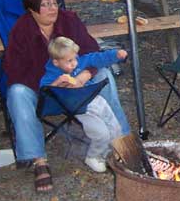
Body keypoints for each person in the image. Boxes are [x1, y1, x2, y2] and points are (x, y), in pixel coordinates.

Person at [3, 0, 131, 193]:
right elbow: (14, 70)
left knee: (104, 75)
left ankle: (123, 142)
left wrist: (83, 76)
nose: (52, 8)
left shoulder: (69, 20)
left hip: (78, 87)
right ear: (31, 8)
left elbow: (92, 52)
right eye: (44, 4)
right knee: (16, 93)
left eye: (54, 2)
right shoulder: (21, 30)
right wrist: (50, 85)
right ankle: (38, 160)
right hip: (43, 91)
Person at [40, 36, 128, 173]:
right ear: (56, 62)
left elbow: (98, 58)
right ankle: (94, 156)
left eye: (75, 58)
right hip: (78, 107)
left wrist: (116, 55)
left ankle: (115, 152)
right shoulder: (51, 74)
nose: (74, 63)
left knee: (114, 124)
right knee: (102, 133)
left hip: (95, 99)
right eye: (69, 61)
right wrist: (57, 84)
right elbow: (45, 92)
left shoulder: (79, 62)